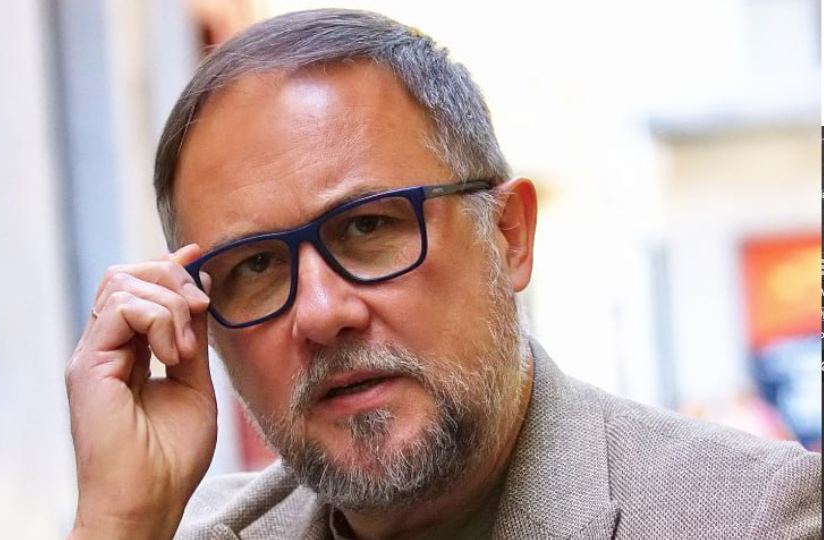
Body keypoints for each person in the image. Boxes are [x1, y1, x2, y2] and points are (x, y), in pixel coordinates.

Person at [64, 9, 821, 540]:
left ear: (509, 236)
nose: (321, 312)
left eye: (368, 227)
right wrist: (120, 521)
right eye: (255, 265)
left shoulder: (748, 517)